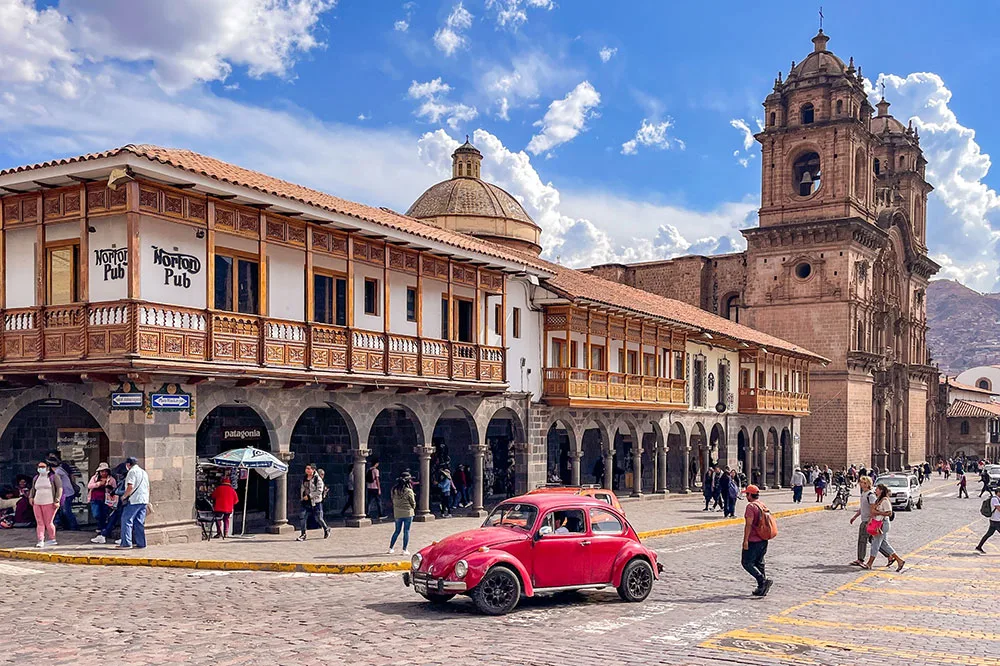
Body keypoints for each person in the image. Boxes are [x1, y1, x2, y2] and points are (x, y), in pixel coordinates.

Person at [849, 476, 891, 567]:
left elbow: (873, 509)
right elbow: (862, 508)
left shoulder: (870, 495)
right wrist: (855, 517)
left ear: (867, 484)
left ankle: (860, 559)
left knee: (863, 540)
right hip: (865, 520)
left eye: (862, 482)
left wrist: (869, 521)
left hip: (868, 521)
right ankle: (889, 555)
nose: (860, 484)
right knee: (873, 541)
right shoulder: (864, 494)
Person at [863, 484, 904, 571]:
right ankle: (899, 560)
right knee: (883, 544)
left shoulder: (885, 500)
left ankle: (869, 563)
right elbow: (873, 511)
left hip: (882, 524)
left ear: (881, 490)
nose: (875, 490)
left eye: (877, 489)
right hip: (878, 522)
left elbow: (889, 513)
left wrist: (878, 513)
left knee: (875, 543)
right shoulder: (879, 500)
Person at [741, 484, 773, 596]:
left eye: (747, 494)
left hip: (754, 540)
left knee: (746, 563)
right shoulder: (762, 504)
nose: (746, 496)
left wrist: (745, 541)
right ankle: (761, 588)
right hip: (763, 538)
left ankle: (762, 581)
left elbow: (748, 525)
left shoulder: (751, 507)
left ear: (750, 495)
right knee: (759, 563)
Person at [29, 460, 62, 548]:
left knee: (49, 522)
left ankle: (52, 539)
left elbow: (59, 488)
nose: (41, 469)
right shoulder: (36, 478)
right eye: (39, 467)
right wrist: (31, 497)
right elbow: (33, 488)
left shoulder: (53, 476)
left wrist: (57, 500)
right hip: (37, 502)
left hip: (49, 502)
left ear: (48, 467)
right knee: (40, 522)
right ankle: (40, 540)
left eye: (43, 467)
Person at [119, 457, 149, 549]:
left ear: (128, 464)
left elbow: (130, 486)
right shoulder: (144, 472)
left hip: (134, 500)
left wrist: (124, 496)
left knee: (126, 520)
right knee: (139, 522)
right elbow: (147, 487)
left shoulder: (132, 472)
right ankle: (141, 543)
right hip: (143, 499)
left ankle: (126, 543)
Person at [296, 463, 329, 541]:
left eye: (308, 468)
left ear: (313, 470)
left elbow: (319, 491)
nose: (306, 470)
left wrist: (309, 496)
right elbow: (302, 488)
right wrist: (302, 497)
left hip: (315, 501)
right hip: (306, 502)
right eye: (306, 468)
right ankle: (303, 534)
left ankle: (326, 529)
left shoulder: (318, 479)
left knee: (318, 518)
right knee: (303, 517)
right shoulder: (305, 478)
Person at [47, 454, 79, 531]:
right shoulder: (60, 470)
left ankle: (73, 526)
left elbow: (57, 484)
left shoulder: (58, 472)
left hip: (66, 493)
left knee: (66, 511)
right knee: (63, 510)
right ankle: (67, 525)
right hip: (65, 493)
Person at [387, 472, 416, 555]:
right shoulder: (409, 491)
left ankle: (391, 548)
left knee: (397, 531)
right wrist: (412, 508)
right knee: (406, 531)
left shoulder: (394, 490)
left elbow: (393, 500)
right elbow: (413, 503)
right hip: (408, 513)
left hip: (397, 513)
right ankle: (404, 549)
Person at [86, 462, 116, 532]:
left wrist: (109, 487)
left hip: (105, 499)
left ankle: (102, 527)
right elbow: (89, 486)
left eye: (105, 471)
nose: (104, 473)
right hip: (95, 498)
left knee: (104, 513)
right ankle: (101, 525)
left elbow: (115, 488)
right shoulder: (95, 478)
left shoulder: (111, 479)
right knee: (96, 514)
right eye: (102, 471)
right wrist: (98, 484)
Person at [976, 487, 1000, 554]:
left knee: (988, 534)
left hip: (994, 520)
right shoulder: (995, 499)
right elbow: (999, 508)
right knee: (988, 534)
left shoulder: (997, 499)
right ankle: (979, 547)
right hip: (996, 521)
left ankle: (979, 547)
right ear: (997, 493)